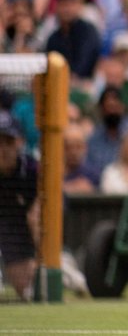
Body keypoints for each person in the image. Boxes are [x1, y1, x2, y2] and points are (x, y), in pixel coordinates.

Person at [0, 112, 37, 300]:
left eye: (8, 142)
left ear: (19, 142)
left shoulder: (32, 170)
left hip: (21, 231)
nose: (3, 149)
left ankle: (58, 267)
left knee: (27, 291)